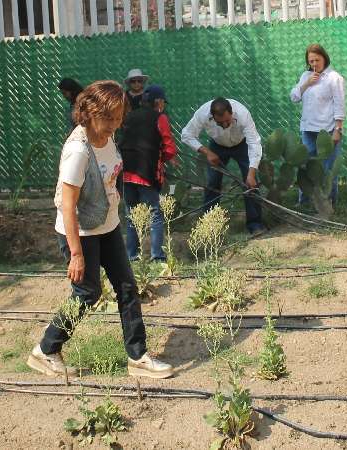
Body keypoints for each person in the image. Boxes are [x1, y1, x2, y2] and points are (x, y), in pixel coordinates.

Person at [27, 80, 174, 379]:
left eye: (119, 118)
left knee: (127, 287)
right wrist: (76, 255)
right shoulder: (78, 151)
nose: (115, 125)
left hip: (106, 226)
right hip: (79, 232)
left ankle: (138, 357)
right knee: (87, 292)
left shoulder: (106, 138)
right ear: (90, 112)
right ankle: (46, 349)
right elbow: (67, 205)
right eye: (109, 118)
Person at [180, 97, 266, 235]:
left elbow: (254, 143)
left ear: (232, 112)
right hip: (217, 146)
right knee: (212, 183)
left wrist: (251, 173)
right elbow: (186, 135)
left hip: (242, 145)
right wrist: (207, 152)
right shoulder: (202, 114)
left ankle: (255, 224)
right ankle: (209, 224)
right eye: (220, 123)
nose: (225, 125)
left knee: (250, 184)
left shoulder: (243, 114)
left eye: (228, 120)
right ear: (212, 117)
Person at [118, 85, 177, 262]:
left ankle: (132, 256)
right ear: (158, 102)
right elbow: (169, 148)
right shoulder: (160, 118)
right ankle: (157, 256)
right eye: (162, 102)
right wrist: (161, 159)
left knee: (131, 215)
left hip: (126, 173)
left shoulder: (129, 116)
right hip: (147, 173)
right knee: (155, 215)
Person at [290, 43, 346, 204]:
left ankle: (330, 204)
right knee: (307, 167)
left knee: (329, 169)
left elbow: (339, 104)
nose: (314, 64)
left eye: (317, 60)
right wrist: (307, 83)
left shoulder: (334, 78)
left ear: (324, 58)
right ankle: (305, 203)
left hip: (327, 131)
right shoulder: (305, 76)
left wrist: (338, 129)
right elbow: (293, 97)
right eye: (311, 61)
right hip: (308, 130)